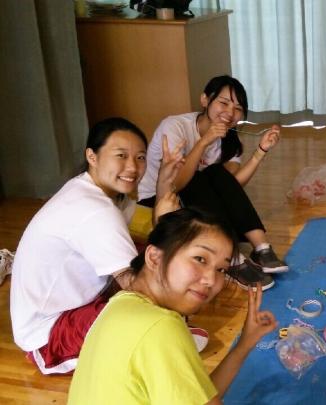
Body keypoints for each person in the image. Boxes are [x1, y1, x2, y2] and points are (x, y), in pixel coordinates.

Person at [9, 117, 181, 374]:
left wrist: (165, 178)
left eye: (140, 157)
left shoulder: (98, 190)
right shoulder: (96, 210)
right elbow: (140, 290)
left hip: (72, 304)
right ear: (92, 156)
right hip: (49, 335)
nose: (132, 167)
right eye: (121, 155)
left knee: (152, 257)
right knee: (158, 308)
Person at [67, 208, 278, 404]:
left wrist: (244, 343)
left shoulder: (120, 304)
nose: (211, 280)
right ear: (154, 257)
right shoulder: (160, 326)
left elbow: (197, 396)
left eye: (222, 269)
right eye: (200, 259)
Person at [138, 75, 287, 290]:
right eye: (223, 103)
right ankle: (231, 259)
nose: (230, 112)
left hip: (199, 203)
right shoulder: (175, 127)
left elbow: (231, 186)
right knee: (198, 176)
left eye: (237, 108)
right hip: (160, 202)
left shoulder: (229, 139)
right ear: (205, 100)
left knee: (216, 173)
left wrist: (261, 151)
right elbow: (175, 185)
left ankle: (262, 248)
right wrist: (204, 141)